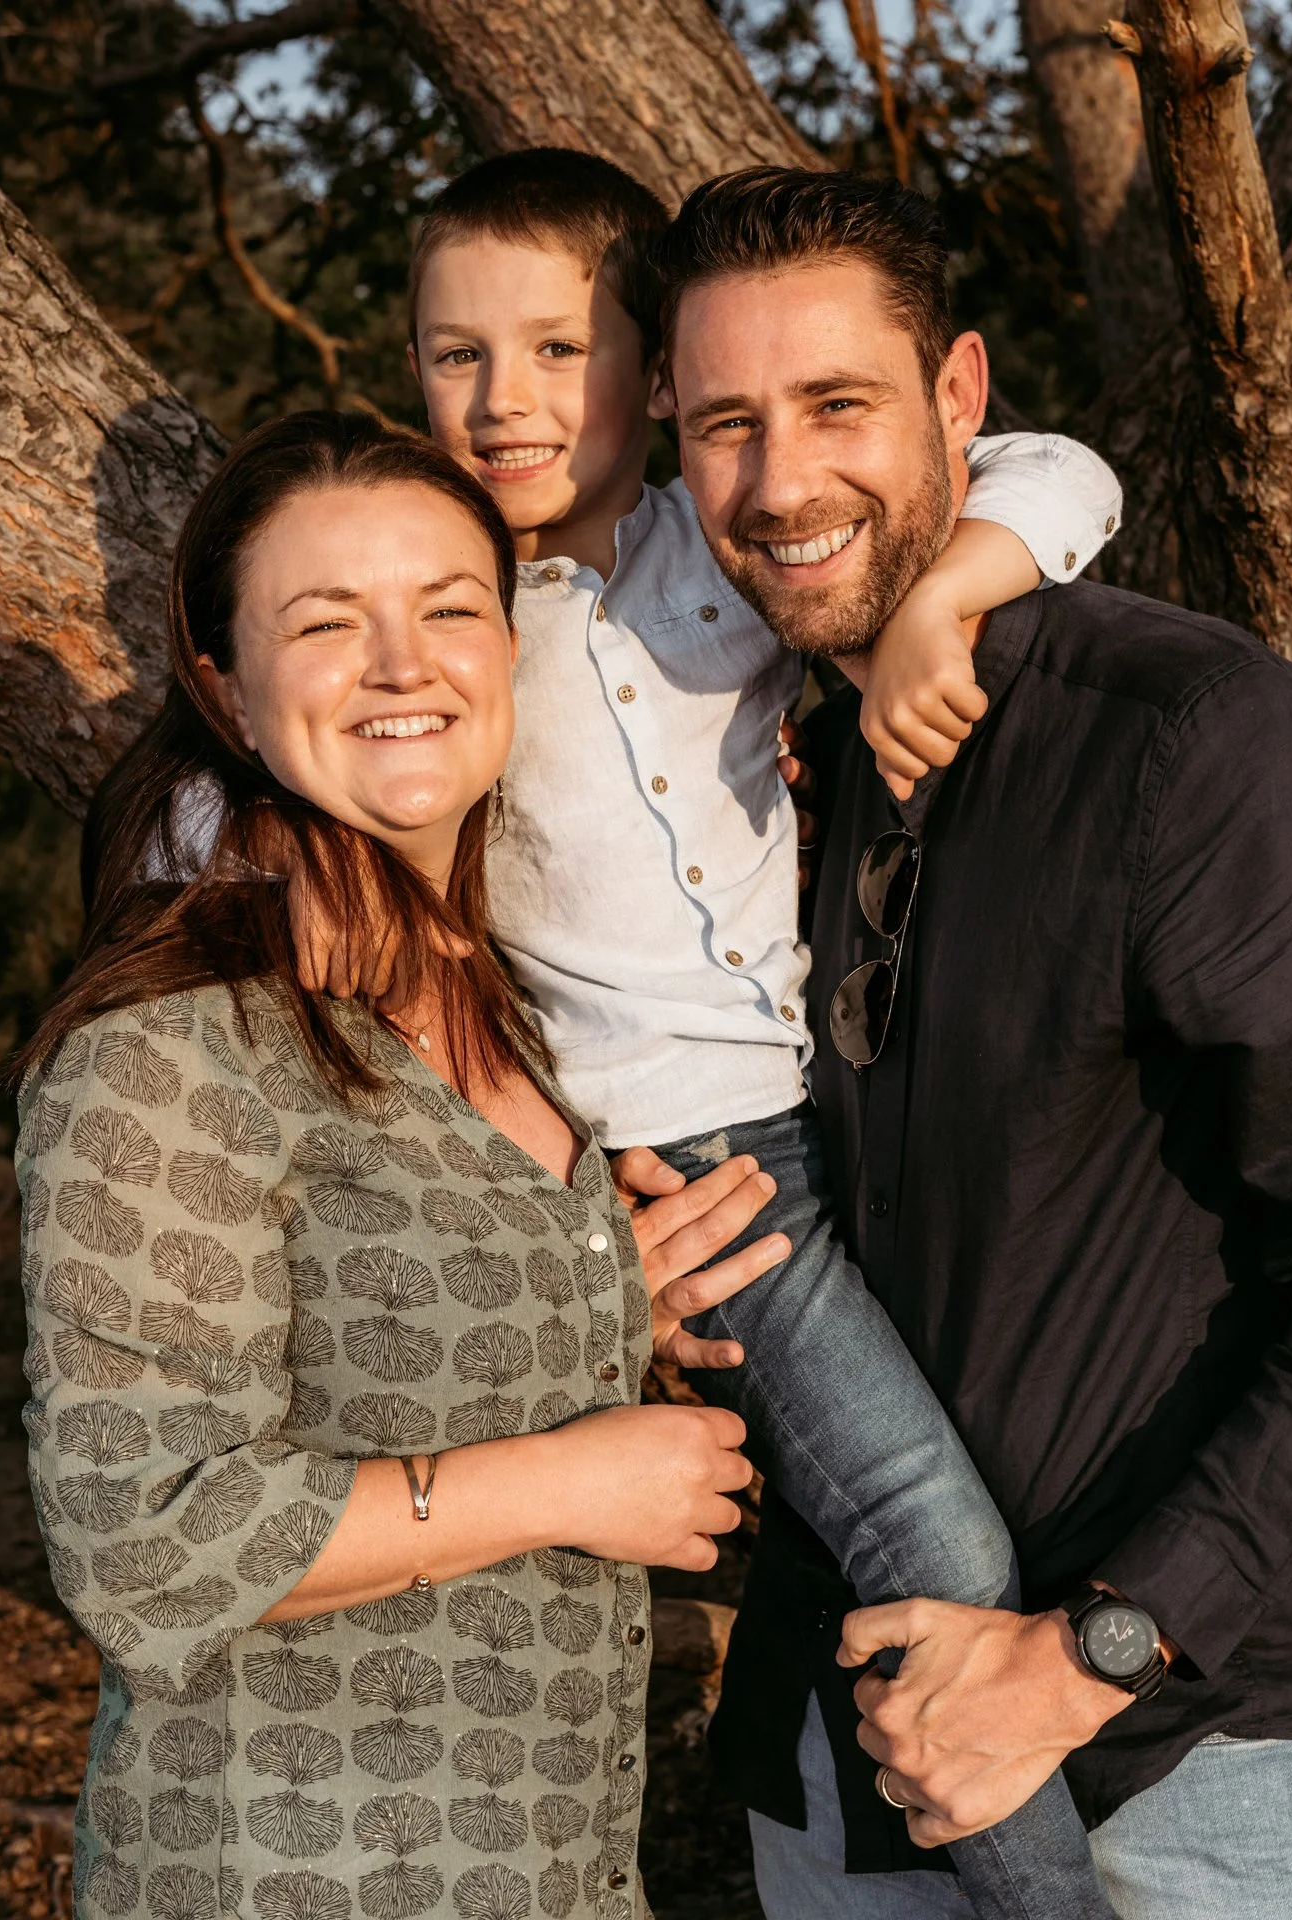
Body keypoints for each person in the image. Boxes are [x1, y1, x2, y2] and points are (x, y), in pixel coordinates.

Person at [280, 149, 1128, 1915]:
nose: (507, 402)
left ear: (656, 377)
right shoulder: (449, 614)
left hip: (844, 1110)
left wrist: (945, 603)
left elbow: (1062, 471)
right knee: (938, 1542)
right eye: (456, 357)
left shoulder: (711, 551)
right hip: (712, 1170)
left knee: (953, 1507)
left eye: (560, 350)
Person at [647, 163, 1292, 1919]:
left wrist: (1089, 1655)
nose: (779, 485)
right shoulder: (754, 784)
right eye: (722, 428)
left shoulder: (1189, 743)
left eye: (838, 404)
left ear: (962, 399)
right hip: (828, 1770)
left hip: (1164, 1773)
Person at [13, 412, 796, 1920]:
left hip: (552, 1874)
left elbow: (363, 1329)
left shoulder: (510, 993)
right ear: (227, 689)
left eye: (449, 608)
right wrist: (575, 1478)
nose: (402, 663)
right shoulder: (174, 1042)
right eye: (326, 623)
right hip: (296, 1876)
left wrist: (595, 1307)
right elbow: (143, 1540)